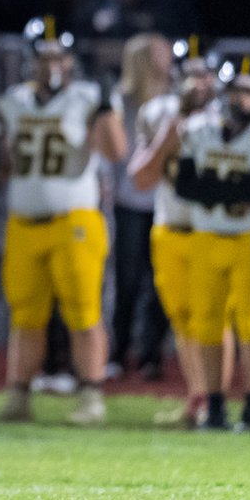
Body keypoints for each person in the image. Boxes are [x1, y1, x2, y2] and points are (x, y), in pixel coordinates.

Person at [0, 16, 126, 425]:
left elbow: (116, 152)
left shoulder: (89, 95)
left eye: (59, 55)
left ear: (71, 60)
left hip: (75, 220)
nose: (52, 62)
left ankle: (92, 396)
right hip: (24, 221)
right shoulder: (13, 100)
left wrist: (103, 108)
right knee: (25, 316)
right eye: (45, 54)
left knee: (84, 312)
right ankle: (18, 397)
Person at [168, 58, 250, 431]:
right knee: (207, 323)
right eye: (237, 91)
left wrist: (216, 189)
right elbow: (185, 187)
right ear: (223, 94)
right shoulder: (198, 129)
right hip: (207, 236)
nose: (243, 100)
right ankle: (215, 407)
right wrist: (231, 191)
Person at [128, 38, 222, 427]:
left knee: (211, 320)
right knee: (182, 319)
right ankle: (197, 400)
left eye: (204, 74)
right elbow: (141, 178)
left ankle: (216, 404)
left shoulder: (225, 117)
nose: (197, 83)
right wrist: (170, 137)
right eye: (192, 74)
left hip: (211, 230)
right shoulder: (157, 112)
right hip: (169, 226)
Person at [108, 33, 173, 380]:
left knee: (160, 283)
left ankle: (152, 354)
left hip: (165, 203)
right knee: (128, 281)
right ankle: (119, 351)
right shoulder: (122, 100)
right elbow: (115, 155)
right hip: (130, 200)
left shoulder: (176, 100)